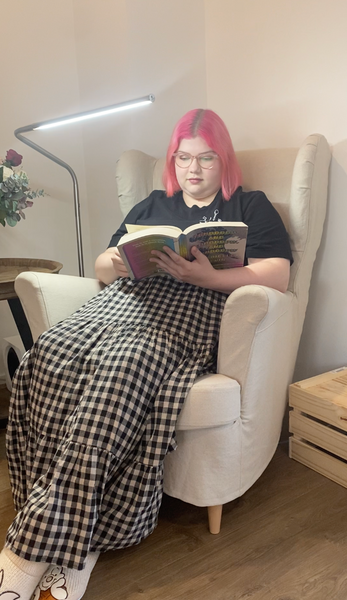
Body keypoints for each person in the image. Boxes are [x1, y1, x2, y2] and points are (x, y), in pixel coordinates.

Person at [0, 109, 293, 600]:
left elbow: (278, 275)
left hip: (187, 310)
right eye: (183, 158)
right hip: (123, 302)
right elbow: (102, 265)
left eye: (206, 159)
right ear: (172, 161)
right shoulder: (152, 204)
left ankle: (33, 555)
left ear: (224, 161)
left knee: (119, 374)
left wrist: (210, 278)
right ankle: (59, 524)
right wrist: (115, 260)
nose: (193, 170)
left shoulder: (250, 204)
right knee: (46, 353)